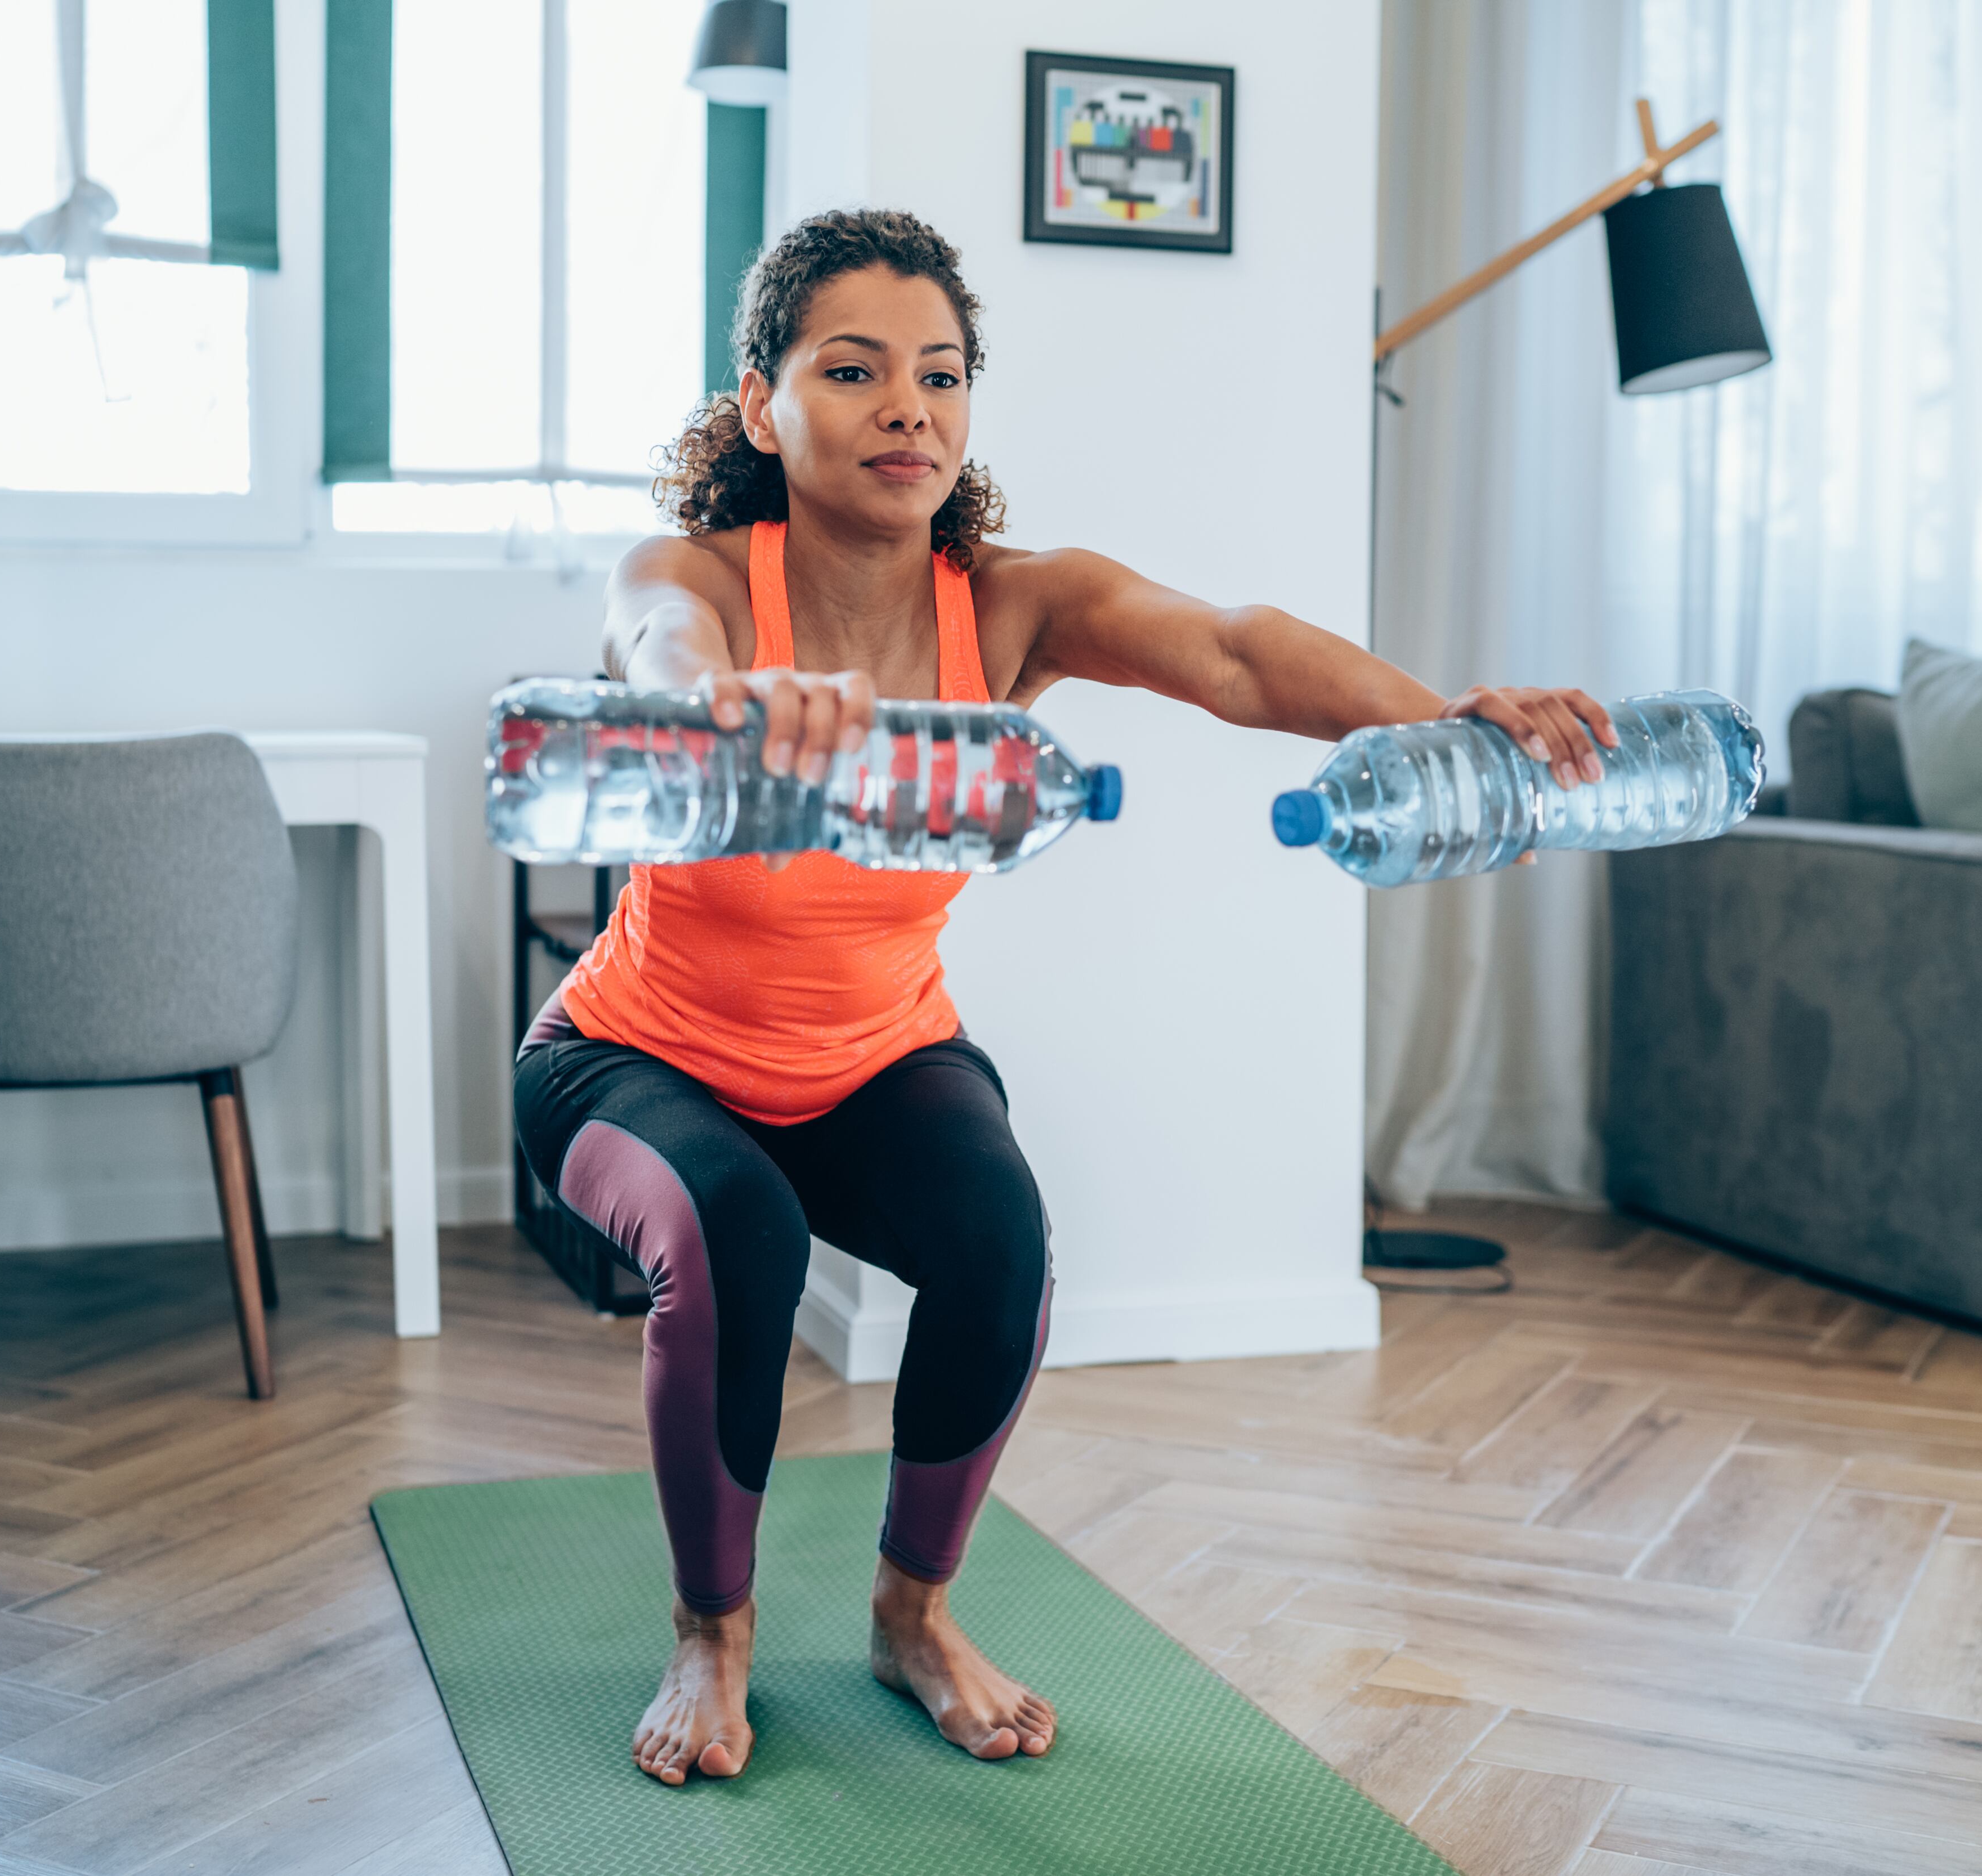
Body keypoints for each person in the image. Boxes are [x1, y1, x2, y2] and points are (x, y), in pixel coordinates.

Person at [512, 208, 1616, 1787]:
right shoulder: (689, 574)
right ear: (763, 406)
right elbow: (655, 641)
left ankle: (912, 1617)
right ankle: (713, 1637)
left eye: (943, 375)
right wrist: (726, 704)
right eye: (856, 369)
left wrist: (1452, 725)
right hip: (631, 1061)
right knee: (732, 1230)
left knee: (998, 1233)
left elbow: (1235, 653)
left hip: (871, 1058)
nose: (912, 408)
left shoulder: (1011, 606)